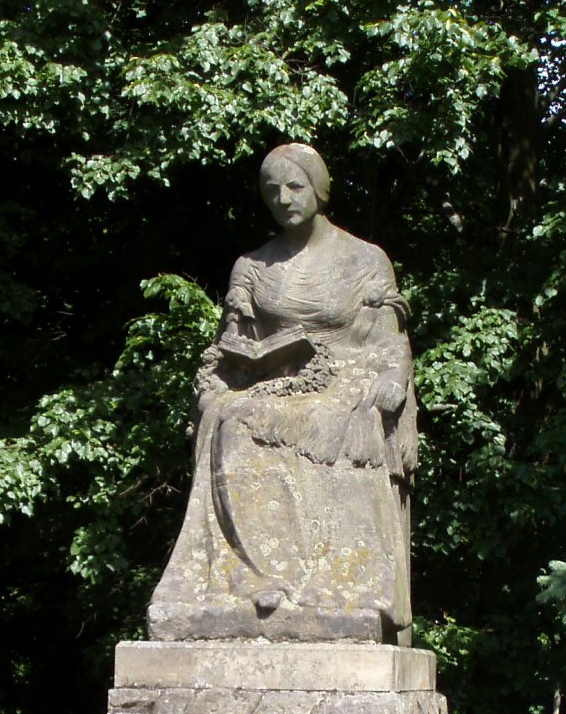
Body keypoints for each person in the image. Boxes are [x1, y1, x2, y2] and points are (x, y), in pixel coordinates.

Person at [147, 143, 416, 644]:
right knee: (230, 418)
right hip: (273, 382)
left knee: (279, 418)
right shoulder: (252, 266)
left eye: (294, 186)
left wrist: (392, 378)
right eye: (272, 191)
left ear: (319, 189)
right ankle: (255, 578)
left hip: (348, 379)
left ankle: (335, 587)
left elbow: (390, 342)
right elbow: (229, 346)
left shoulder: (364, 259)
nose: (284, 199)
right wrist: (218, 376)